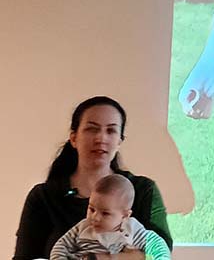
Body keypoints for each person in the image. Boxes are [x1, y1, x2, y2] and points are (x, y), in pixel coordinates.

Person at [14, 96, 173, 260]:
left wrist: (101, 258)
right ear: (74, 138)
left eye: (111, 131)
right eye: (92, 129)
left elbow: (162, 253)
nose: (101, 138)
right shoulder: (43, 197)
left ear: (119, 141)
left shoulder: (143, 190)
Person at [50, 174, 170, 260]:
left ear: (125, 215)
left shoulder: (131, 229)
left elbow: (157, 244)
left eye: (105, 213)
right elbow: (61, 246)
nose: (95, 217)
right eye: (91, 209)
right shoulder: (83, 227)